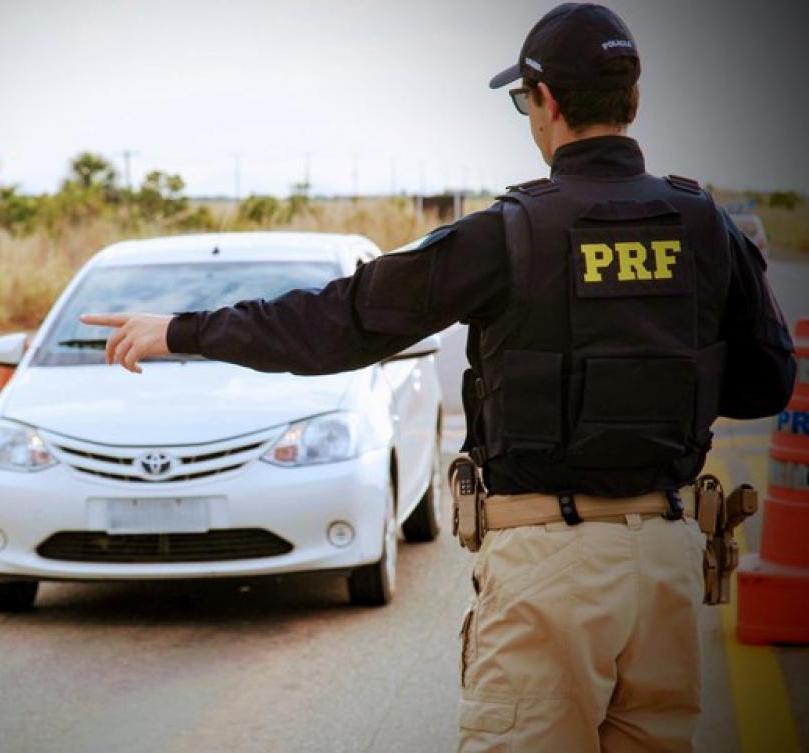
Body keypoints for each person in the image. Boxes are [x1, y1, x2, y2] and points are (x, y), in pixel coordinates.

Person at [80, 4, 796, 751]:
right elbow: (765, 385)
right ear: (633, 100)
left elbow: (344, 320)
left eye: (525, 101)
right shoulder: (706, 224)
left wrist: (182, 331)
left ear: (545, 100)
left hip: (550, 565)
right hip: (670, 568)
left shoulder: (509, 233)